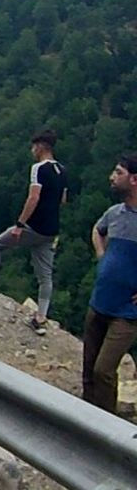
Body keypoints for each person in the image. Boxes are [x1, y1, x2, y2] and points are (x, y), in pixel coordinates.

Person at [0, 130, 68, 334]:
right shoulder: (63, 169)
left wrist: (20, 224)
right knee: (45, 275)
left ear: (41, 146)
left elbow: (33, 197)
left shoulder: (38, 168)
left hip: (34, 226)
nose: (32, 150)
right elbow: (63, 200)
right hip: (51, 229)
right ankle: (40, 317)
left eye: (34, 146)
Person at [81, 154, 137, 414]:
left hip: (127, 314)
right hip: (99, 302)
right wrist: (101, 255)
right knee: (89, 369)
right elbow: (97, 229)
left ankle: (105, 428)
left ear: (134, 180)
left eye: (118, 173)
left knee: (104, 370)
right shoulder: (115, 213)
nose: (112, 178)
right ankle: (85, 421)